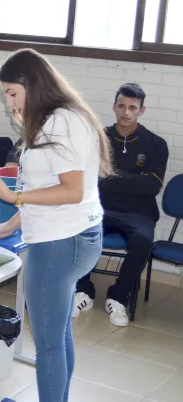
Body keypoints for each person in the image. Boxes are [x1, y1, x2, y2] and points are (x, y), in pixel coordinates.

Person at [0, 49, 110, 402]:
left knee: (47, 340)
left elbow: (70, 189)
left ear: (31, 84)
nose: (9, 103)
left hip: (58, 245)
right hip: (75, 234)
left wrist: (9, 197)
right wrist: (9, 224)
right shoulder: (65, 116)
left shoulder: (60, 122)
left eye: (12, 93)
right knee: (59, 332)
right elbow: (52, 188)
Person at [73, 83, 168, 326]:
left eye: (132, 108)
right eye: (122, 106)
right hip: (100, 207)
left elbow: (152, 186)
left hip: (139, 213)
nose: (126, 113)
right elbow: (90, 177)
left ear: (141, 110)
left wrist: (110, 176)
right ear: (114, 106)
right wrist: (132, 180)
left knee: (143, 241)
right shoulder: (98, 137)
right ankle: (83, 291)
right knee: (76, 228)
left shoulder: (156, 144)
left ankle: (118, 296)